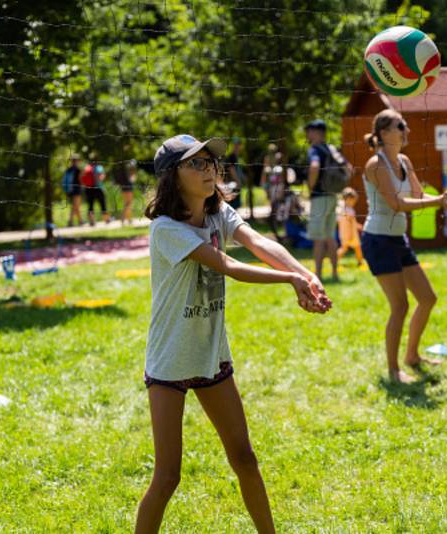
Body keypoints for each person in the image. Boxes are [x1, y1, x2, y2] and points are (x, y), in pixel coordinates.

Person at [135, 134, 331, 533]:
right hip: (170, 363)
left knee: (245, 459)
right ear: (173, 177)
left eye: (212, 163)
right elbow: (228, 265)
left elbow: (258, 242)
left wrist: (306, 273)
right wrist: (289, 279)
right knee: (168, 476)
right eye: (198, 164)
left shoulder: (217, 213)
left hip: (211, 356)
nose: (211, 170)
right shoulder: (166, 229)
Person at [361, 109, 447, 384]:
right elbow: (397, 204)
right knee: (399, 306)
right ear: (384, 133)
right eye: (401, 126)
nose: (407, 130)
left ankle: (412, 356)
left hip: (397, 238)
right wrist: (436, 202)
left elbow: (419, 195)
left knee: (427, 298)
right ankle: (393, 371)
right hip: (377, 240)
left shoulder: (404, 160)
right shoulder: (375, 165)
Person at [306, 119, 349, 281]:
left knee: (318, 238)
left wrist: (311, 186)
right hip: (333, 196)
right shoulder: (331, 149)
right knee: (330, 237)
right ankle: (335, 273)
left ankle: (317, 275)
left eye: (309, 130)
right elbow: (348, 168)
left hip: (319, 197)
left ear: (316, 132)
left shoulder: (315, 150)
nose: (307, 133)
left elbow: (314, 167)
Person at [261, 144, 286, 241]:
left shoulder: (278, 158)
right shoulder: (268, 161)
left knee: (279, 210)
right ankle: (277, 233)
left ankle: (280, 233)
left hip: (277, 188)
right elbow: (264, 176)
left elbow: (281, 178)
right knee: (274, 210)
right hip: (272, 188)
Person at [337, 187, 364, 267]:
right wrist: (351, 234)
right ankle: (359, 261)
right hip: (351, 233)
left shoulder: (341, 209)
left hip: (343, 233)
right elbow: (351, 223)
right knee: (356, 247)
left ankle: (334, 260)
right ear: (348, 199)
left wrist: (358, 226)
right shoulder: (350, 210)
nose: (354, 203)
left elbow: (339, 222)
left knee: (347, 248)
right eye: (353, 201)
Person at [81, 157, 110, 225]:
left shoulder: (87, 167)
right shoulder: (99, 167)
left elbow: (81, 177)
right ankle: (106, 220)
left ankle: (92, 221)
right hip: (98, 188)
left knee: (90, 205)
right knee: (103, 204)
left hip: (88, 188)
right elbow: (101, 177)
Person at [222, 136, 244, 210]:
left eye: (238, 144)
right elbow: (231, 169)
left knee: (235, 206)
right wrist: (238, 181)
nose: (237, 146)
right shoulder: (232, 156)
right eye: (236, 144)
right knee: (233, 206)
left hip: (234, 184)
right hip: (233, 185)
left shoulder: (237, 156)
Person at [64, 155, 83, 226]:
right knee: (76, 206)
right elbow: (81, 180)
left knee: (75, 206)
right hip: (76, 190)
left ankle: (73, 221)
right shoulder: (78, 170)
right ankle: (77, 221)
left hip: (70, 190)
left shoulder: (68, 170)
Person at [117, 160, 137, 225]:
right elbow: (133, 178)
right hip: (128, 188)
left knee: (127, 203)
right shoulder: (130, 169)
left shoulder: (122, 169)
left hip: (123, 188)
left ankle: (129, 219)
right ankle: (123, 218)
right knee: (128, 204)